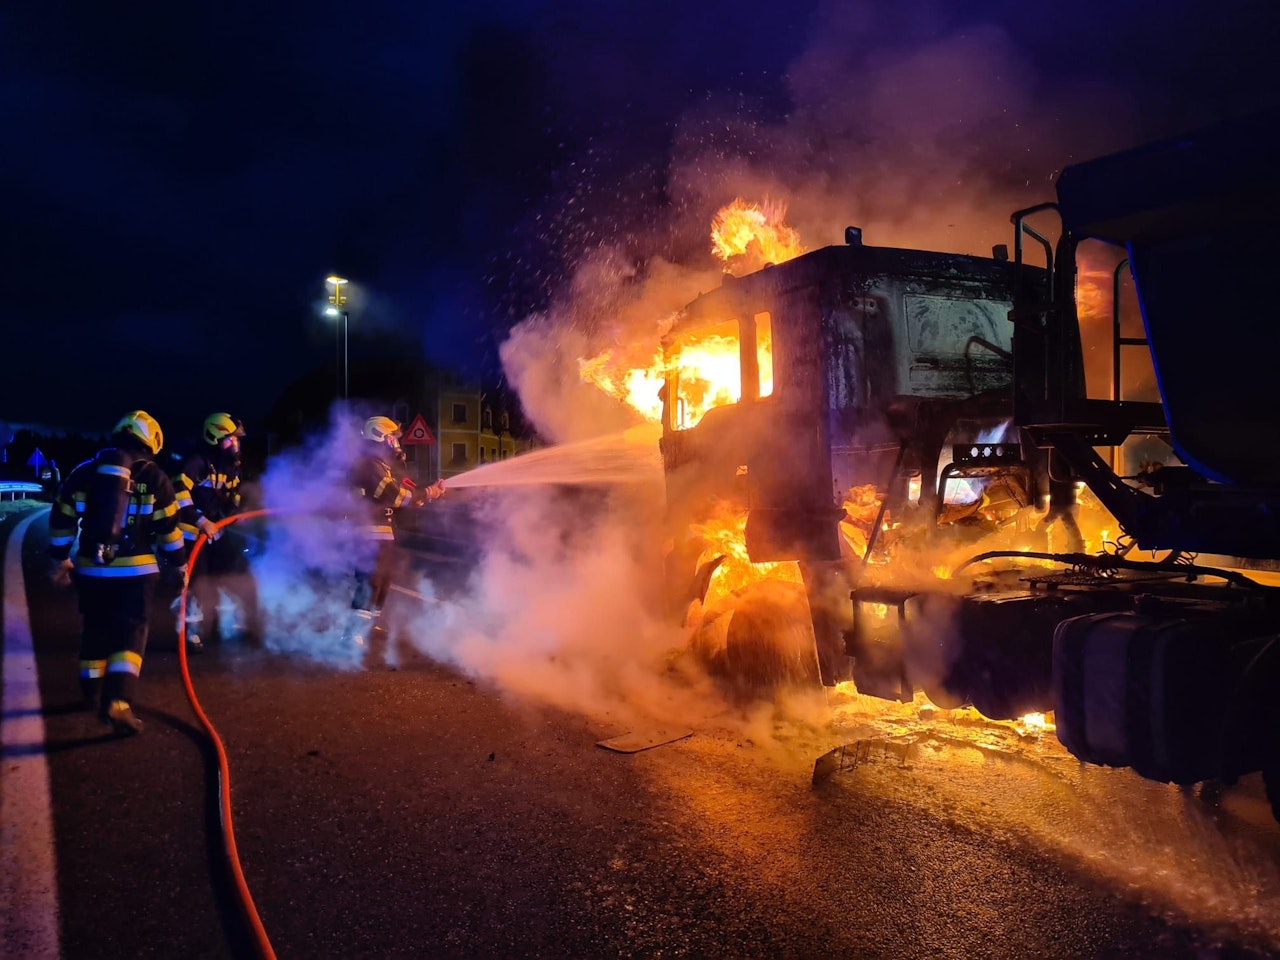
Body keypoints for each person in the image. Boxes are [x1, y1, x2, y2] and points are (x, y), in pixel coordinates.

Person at [47, 410, 187, 736]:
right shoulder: (156, 478)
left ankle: (90, 693)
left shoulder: (84, 472)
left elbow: (62, 519)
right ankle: (119, 701)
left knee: (94, 628)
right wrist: (179, 564)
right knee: (130, 632)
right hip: (137, 574)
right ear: (151, 442)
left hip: (91, 571)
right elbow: (169, 530)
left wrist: (59, 559)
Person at [344, 415, 445, 658]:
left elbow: (404, 494)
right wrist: (426, 493)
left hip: (382, 532)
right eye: (392, 438)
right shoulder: (369, 466)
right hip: (366, 533)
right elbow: (395, 495)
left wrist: (425, 493)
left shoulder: (381, 466)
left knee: (384, 581)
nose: (396, 443)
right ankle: (351, 634)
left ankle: (368, 625)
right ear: (379, 437)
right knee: (371, 581)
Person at [172, 412, 261, 649]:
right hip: (192, 534)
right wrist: (201, 521)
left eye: (237, 439)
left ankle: (232, 625)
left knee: (236, 571)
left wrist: (236, 514)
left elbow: (230, 498)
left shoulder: (230, 467)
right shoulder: (197, 462)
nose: (235, 443)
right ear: (215, 437)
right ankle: (190, 633)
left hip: (215, 532)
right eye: (230, 439)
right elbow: (178, 493)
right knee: (195, 583)